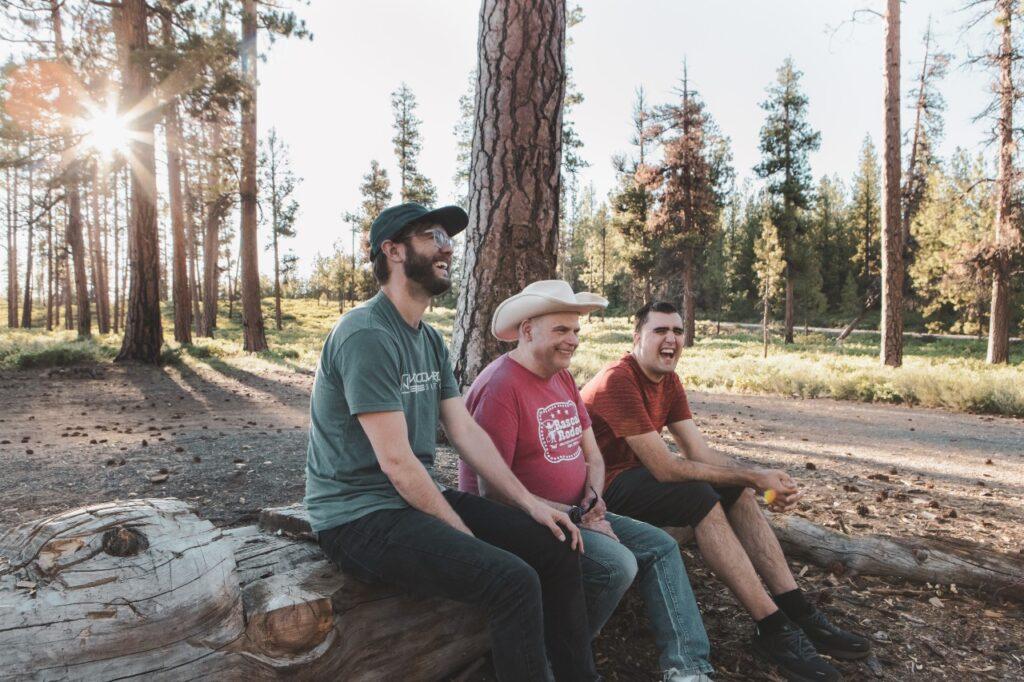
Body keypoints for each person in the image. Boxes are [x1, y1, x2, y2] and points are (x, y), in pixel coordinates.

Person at [305, 203, 598, 682]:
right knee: (510, 578)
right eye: (432, 235)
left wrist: (529, 504)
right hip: (357, 515)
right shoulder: (366, 334)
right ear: (393, 251)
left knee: (557, 544)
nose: (448, 246)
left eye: (448, 236)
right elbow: (397, 462)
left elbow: (463, 430)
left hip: (409, 502)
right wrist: (462, 537)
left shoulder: (429, 339)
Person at [581, 300, 872, 682]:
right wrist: (751, 477)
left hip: (636, 482)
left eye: (678, 331)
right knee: (700, 497)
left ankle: (797, 610)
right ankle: (773, 629)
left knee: (735, 491)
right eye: (660, 331)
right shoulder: (618, 379)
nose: (671, 339)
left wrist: (758, 475)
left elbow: (698, 452)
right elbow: (665, 469)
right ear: (637, 338)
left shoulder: (668, 380)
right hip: (599, 493)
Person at [459, 281, 713, 682]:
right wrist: (577, 515)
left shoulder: (561, 377)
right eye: (561, 330)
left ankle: (688, 667)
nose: (573, 340)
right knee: (616, 565)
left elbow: (592, 454)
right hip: (524, 520)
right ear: (527, 330)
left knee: (661, 546)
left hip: (578, 512)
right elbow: (493, 492)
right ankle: (548, 655)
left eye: (576, 331)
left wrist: (594, 501)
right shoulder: (501, 387)